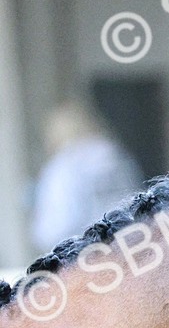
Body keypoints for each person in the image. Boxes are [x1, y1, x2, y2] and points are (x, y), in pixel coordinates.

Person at [30, 100, 142, 251]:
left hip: (87, 255)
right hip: (129, 243)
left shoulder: (64, 165)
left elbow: (54, 226)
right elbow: (138, 196)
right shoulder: (116, 155)